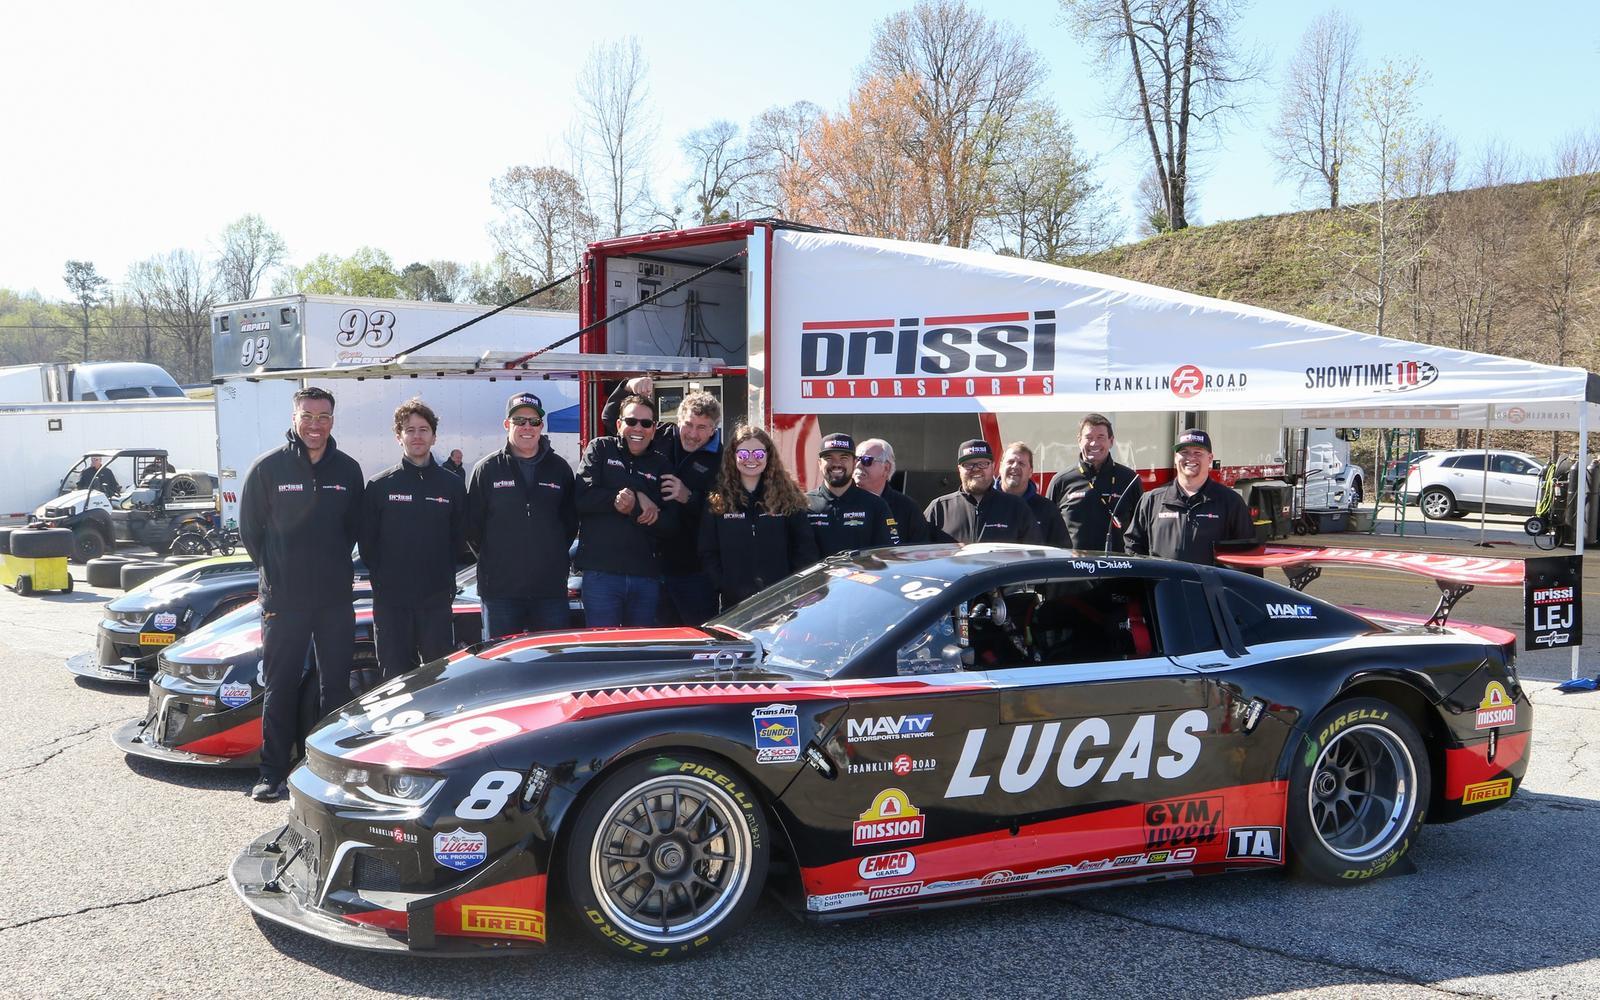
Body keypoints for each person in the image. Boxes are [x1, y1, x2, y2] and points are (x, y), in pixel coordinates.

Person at [238, 386, 363, 802]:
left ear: (332, 420)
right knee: (281, 687)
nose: (316, 424)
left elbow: (351, 531)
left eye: (324, 416)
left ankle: (328, 772)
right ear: (295, 418)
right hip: (284, 600)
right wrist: (279, 572)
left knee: (335, 688)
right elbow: (251, 533)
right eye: (308, 416)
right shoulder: (268, 469)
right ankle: (271, 773)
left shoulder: (348, 471)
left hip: (333, 599)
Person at [359, 399, 466, 680]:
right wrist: (385, 579)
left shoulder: (452, 485)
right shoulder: (380, 485)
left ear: (434, 436)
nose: (417, 436)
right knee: (394, 679)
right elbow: (368, 544)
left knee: (437, 678)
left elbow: (459, 537)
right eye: (409, 430)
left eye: (423, 429)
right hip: (392, 602)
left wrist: (442, 577)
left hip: (435, 600)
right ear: (398, 436)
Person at [605, 376, 722, 626]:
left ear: (714, 429)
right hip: (649, 564)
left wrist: (689, 497)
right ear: (677, 421)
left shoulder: (722, 461)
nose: (692, 434)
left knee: (697, 643)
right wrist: (627, 385)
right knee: (654, 643)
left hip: (693, 571)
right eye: (688, 424)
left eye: (702, 427)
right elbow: (612, 420)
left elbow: (724, 514)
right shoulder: (659, 435)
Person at [465, 392, 578, 640]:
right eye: (519, 421)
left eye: (534, 421)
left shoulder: (560, 469)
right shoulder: (487, 469)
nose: (527, 427)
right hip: (500, 593)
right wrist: (498, 562)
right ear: (507, 424)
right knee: (501, 666)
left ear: (541, 426)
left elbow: (569, 525)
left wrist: (551, 556)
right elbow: (473, 529)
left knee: (551, 667)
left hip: (549, 590)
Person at [575, 394, 677, 626]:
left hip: (646, 578)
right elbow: (582, 497)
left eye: (646, 423)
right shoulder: (600, 448)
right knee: (604, 652)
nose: (638, 428)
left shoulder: (662, 464)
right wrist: (634, 497)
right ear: (619, 424)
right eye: (631, 422)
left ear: (653, 429)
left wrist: (637, 507)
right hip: (602, 575)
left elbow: (671, 524)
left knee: (640, 655)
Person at [700, 425, 820, 610]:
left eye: (758, 454)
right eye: (743, 454)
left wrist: (795, 587)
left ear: (768, 455)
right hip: (735, 604)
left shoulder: (787, 497)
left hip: (781, 600)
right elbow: (708, 551)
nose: (751, 459)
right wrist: (723, 584)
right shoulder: (718, 500)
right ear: (733, 456)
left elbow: (804, 548)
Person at [1124, 428, 1254, 565]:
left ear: (1210, 459)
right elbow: (1133, 545)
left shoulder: (1230, 502)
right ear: (1175, 458)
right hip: (1163, 585)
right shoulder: (1151, 500)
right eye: (1184, 452)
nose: (1190, 458)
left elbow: (1247, 553)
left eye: (1198, 452)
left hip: (1210, 586)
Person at [1046, 413, 1144, 553]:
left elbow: (1141, 531)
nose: (1094, 443)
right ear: (1079, 441)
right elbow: (1047, 529)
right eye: (1089, 438)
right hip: (1074, 569)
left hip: (1118, 569)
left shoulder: (1130, 479)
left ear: (1111, 441)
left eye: (1101, 437)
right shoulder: (1061, 481)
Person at [925, 439, 1039, 544]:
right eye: (968, 464)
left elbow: (1034, 556)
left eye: (983, 464)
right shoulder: (939, 509)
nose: (976, 469)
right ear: (959, 469)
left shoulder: (1017, 507)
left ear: (993, 467)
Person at [805, 432, 894, 557]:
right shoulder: (803, 505)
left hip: (862, 576)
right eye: (829, 458)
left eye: (844, 458)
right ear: (819, 463)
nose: (836, 463)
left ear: (854, 463)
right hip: (816, 577)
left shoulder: (876, 505)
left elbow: (886, 555)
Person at [853, 437, 929, 545]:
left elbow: (920, 551)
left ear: (886, 468)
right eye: (856, 459)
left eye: (866, 460)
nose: (858, 465)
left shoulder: (907, 508)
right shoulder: (841, 501)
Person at [999, 442, 1069, 547]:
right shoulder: (985, 504)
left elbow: (1063, 551)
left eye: (1021, 463)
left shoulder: (1047, 509)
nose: (1015, 466)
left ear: (1030, 472)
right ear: (1000, 468)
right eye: (1010, 461)